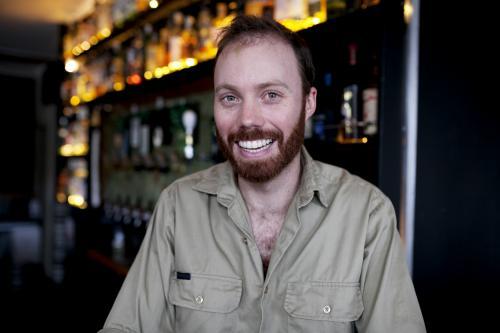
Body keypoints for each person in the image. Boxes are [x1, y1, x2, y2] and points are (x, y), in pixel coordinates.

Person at [99, 15, 426, 333]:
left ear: (308, 103)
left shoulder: (366, 214)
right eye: (230, 97)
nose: (248, 120)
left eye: (271, 95)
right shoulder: (178, 205)